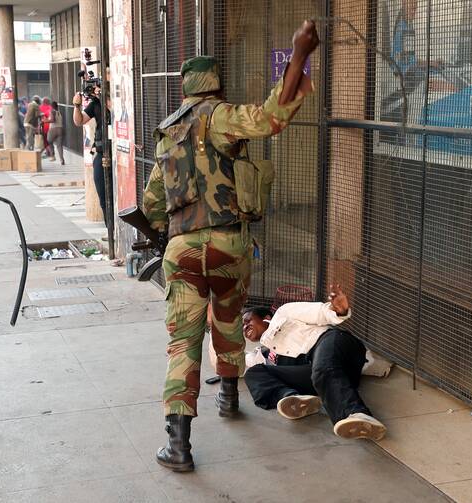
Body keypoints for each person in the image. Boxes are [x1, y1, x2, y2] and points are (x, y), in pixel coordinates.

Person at [141, 20, 319, 472]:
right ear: (216, 85)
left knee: (183, 343)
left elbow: (152, 203)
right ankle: (227, 398)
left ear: (184, 90)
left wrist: (167, 233)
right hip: (229, 244)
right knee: (228, 321)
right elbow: (269, 119)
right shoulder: (219, 116)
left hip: (181, 249)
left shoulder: (167, 133)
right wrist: (299, 55)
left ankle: (177, 446)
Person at [243, 285, 388, 441]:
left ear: (267, 316)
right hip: (324, 378)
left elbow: (320, 313)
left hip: (334, 345)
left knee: (322, 369)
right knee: (253, 373)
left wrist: (339, 311)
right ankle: (293, 400)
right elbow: (230, 362)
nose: (245, 327)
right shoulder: (263, 353)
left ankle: (358, 414)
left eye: (247, 320)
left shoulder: (283, 313)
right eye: (242, 328)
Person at [72, 88, 111, 229]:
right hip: (101, 153)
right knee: (104, 196)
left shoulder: (118, 96)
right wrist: (77, 105)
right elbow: (79, 120)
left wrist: (103, 95)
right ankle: (110, 230)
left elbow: (112, 109)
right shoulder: (95, 103)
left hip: (119, 154)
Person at [43, 101, 65, 165]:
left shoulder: (52, 111)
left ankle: (52, 155)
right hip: (60, 129)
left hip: (53, 129)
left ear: (51, 106)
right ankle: (62, 160)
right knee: (59, 146)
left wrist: (45, 120)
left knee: (48, 141)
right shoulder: (59, 113)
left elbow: (53, 120)